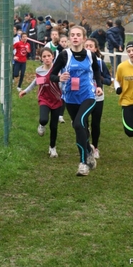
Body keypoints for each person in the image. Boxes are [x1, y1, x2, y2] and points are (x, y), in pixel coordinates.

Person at [50, 25, 103, 176]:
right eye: (72, 35)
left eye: (78, 35)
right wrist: (59, 77)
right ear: (69, 38)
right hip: (71, 98)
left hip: (88, 96)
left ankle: (83, 163)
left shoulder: (90, 55)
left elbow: (97, 71)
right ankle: (88, 149)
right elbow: (51, 76)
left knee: (79, 123)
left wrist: (98, 86)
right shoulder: (64, 55)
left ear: (84, 38)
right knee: (80, 128)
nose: (75, 37)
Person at [19, 47, 63, 158]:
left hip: (57, 100)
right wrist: (26, 91)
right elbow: (36, 82)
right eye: (44, 56)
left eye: (49, 56)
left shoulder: (58, 70)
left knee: (54, 126)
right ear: (41, 58)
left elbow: (64, 84)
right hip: (44, 98)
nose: (47, 58)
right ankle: (42, 125)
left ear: (53, 57)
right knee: (44, 119)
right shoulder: (39, 70)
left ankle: (52, 148)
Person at [84, 38, 111, 158]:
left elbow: (109, 80)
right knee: (83, 123)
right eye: (86, 46)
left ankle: (95, 147)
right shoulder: (78, 62)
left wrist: (99, 79)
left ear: (95, 49)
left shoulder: (100, 62)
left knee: (95, 124)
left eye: (91, 46)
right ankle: (85, 145)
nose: (88, 48)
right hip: (83, 97)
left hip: (98, 98)